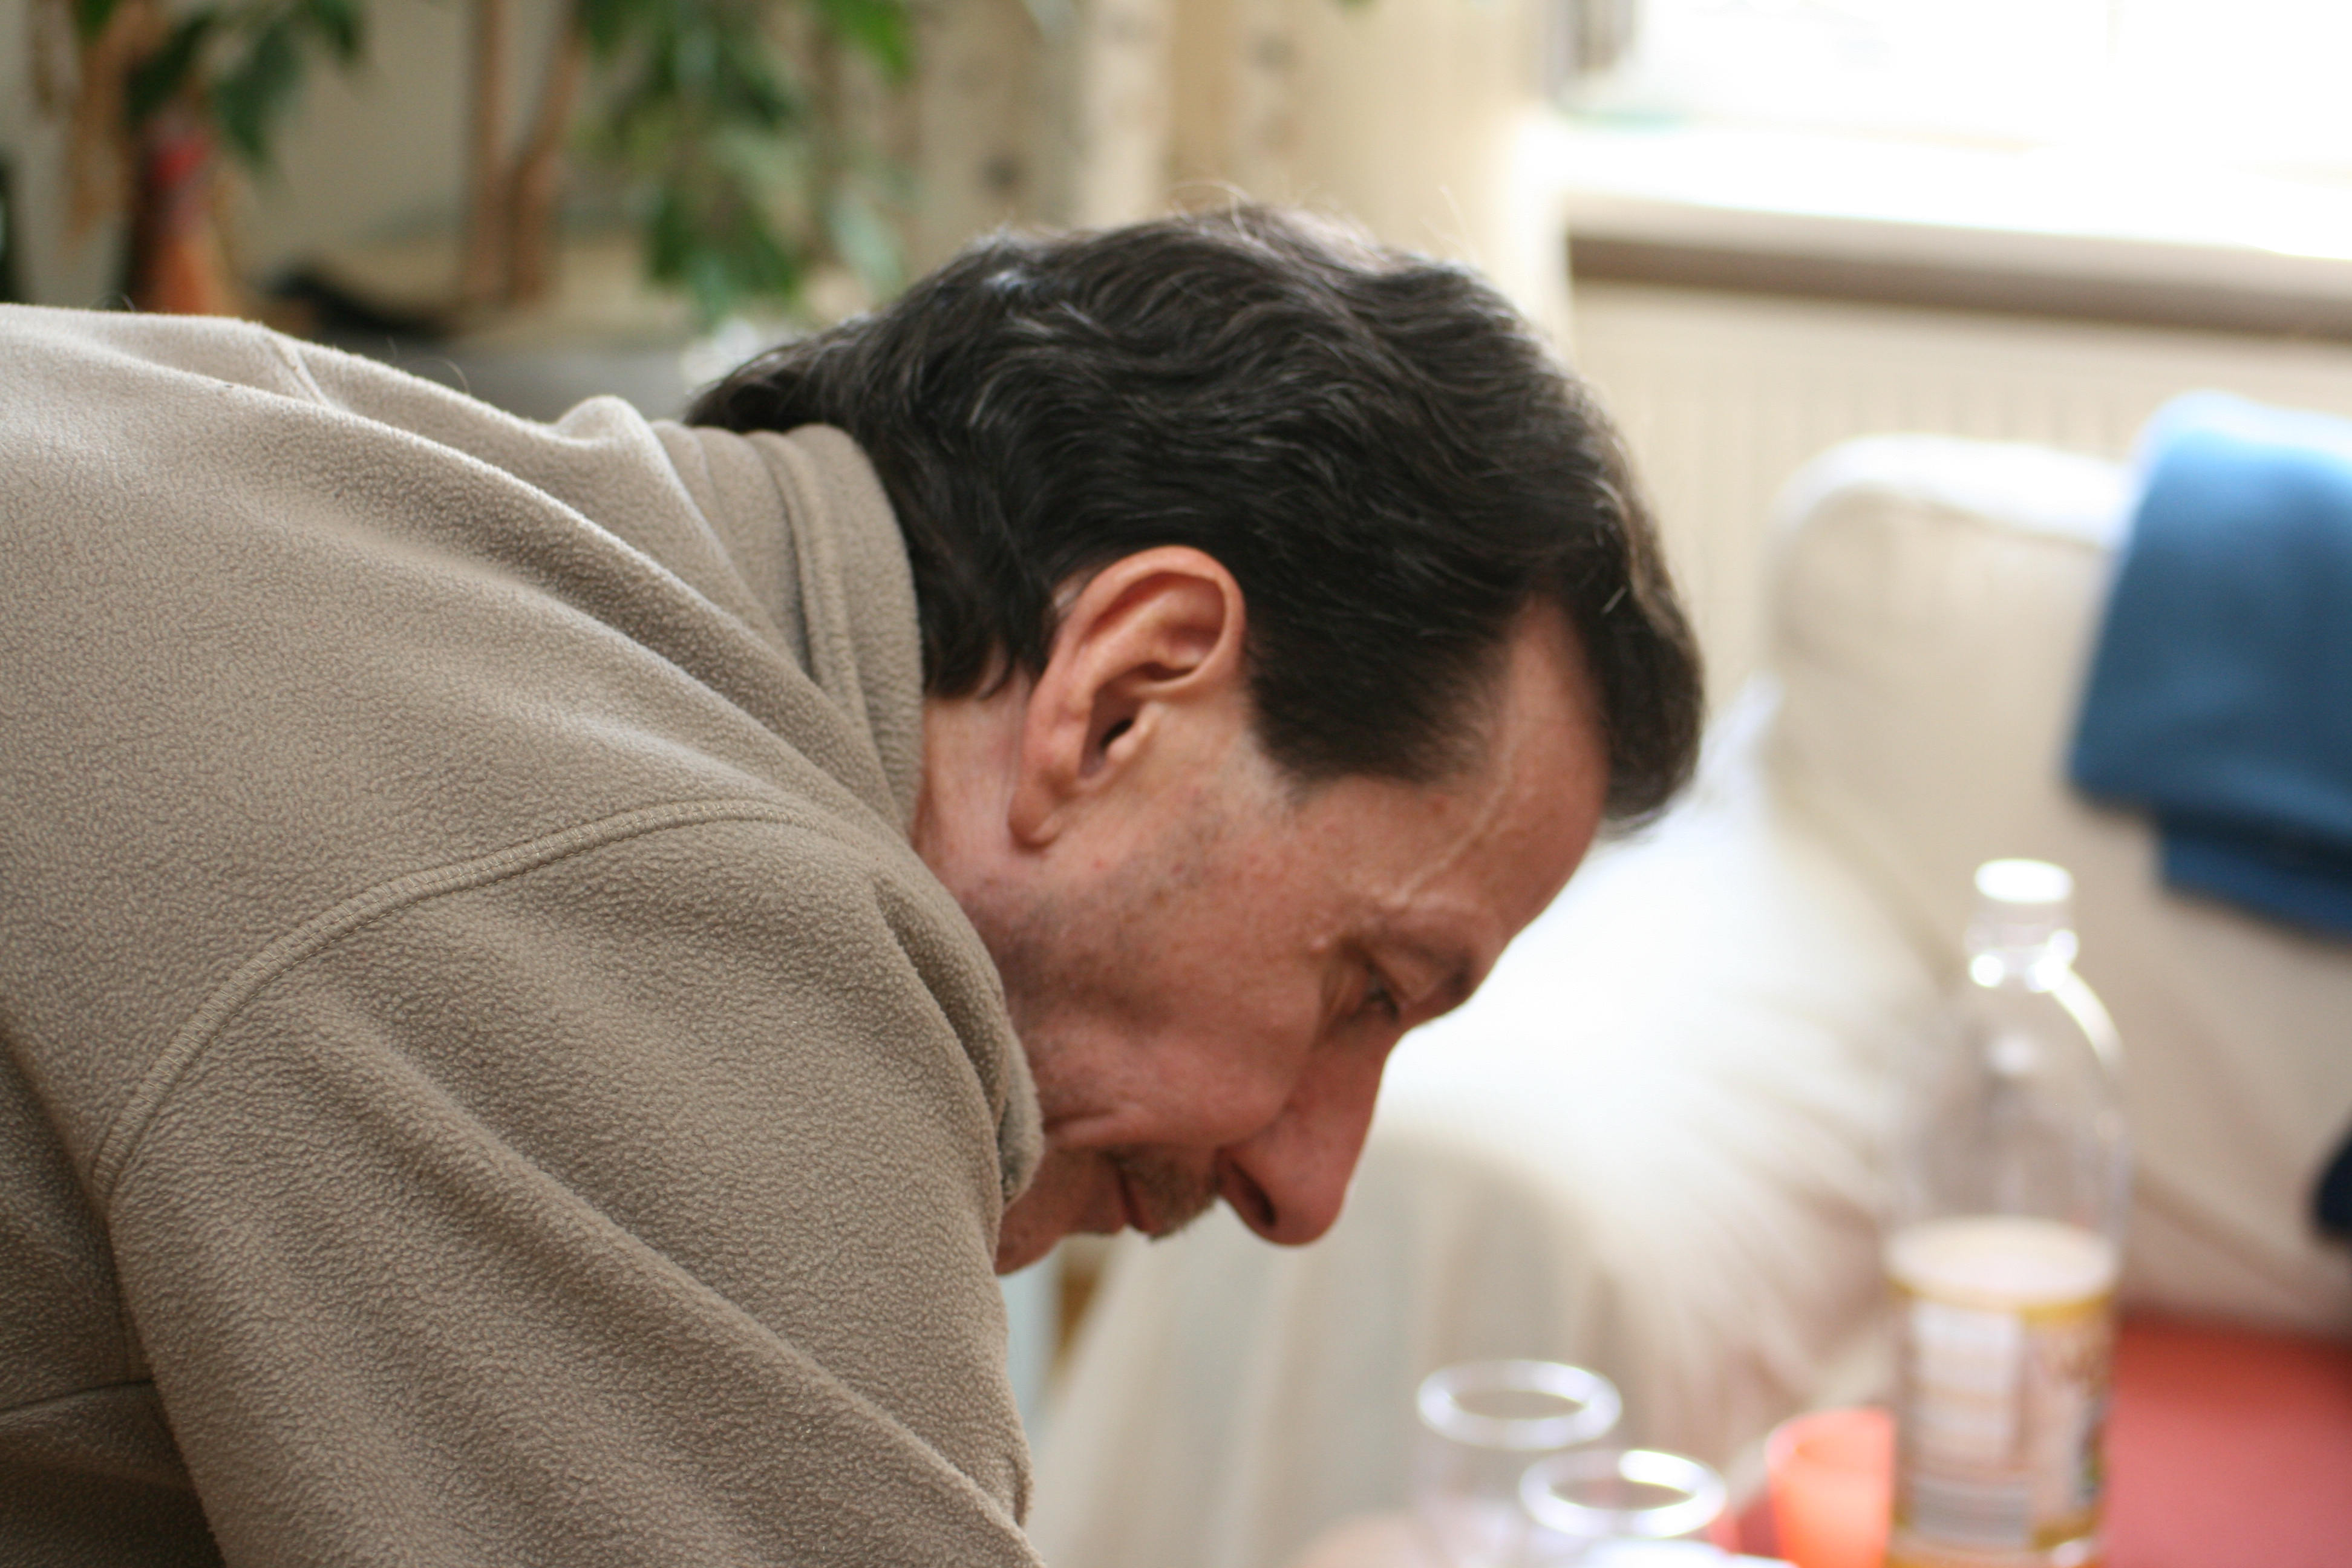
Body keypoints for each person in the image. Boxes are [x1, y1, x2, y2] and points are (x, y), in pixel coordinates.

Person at [0, 206, 1700, 1565]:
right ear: (1124, 697)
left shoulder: (352, 499)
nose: (1307, 1186)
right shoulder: (682, 927)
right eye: (1368, 990)